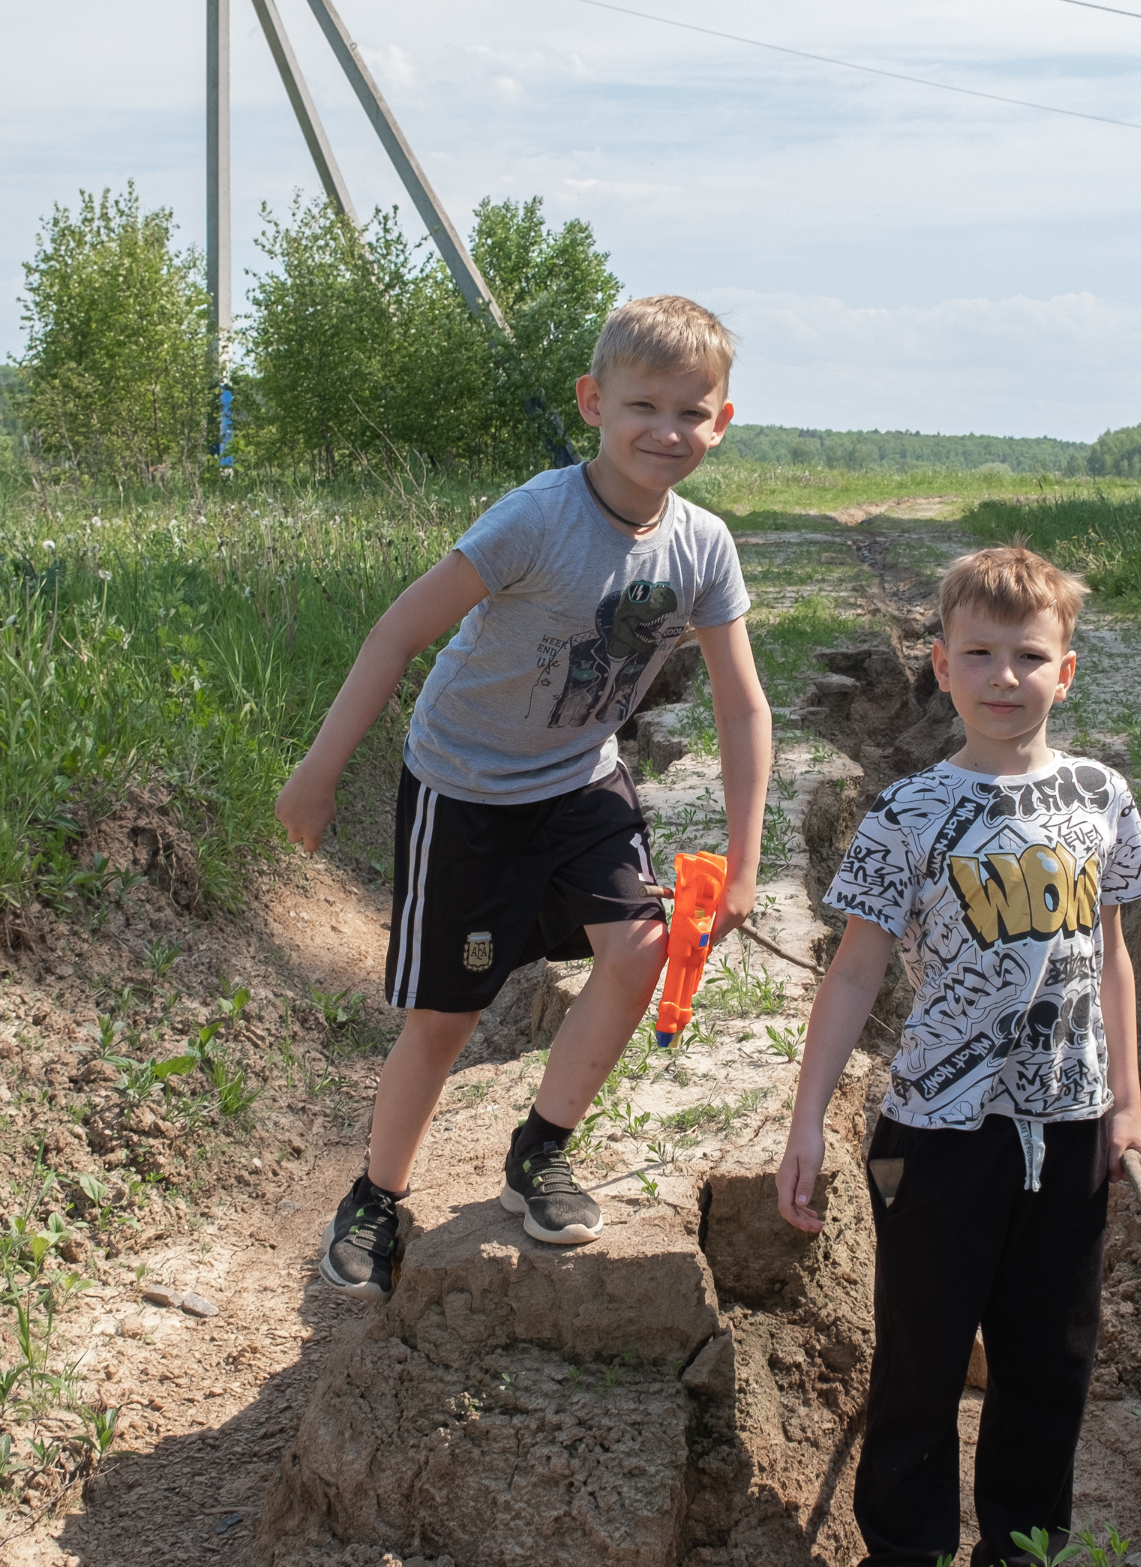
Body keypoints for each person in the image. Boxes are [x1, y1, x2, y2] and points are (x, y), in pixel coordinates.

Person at [277, 295, 772, 1297]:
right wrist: (319, 770)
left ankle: (540, 1149)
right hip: (465, 788)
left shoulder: (704, 546)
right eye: (644, 405)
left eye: (692, 411)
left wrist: (748, 862)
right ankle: (378, 1193)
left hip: (581, 779)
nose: (667, 431)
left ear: (722, 420)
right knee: (444, 1019)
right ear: (594, 401)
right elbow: (398, 630)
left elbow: (743, 707)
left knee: (641, 954)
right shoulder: (537, 517)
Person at [775, 544, 1141, 1567]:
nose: (1003, 677)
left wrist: (1126, 1101)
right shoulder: (905, 814)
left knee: (1049, 1360)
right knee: (921, 1359)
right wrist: (807, 1122)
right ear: (940, 668)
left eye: (1028, 655)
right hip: (938, 1134)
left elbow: (1113, 953)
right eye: (979, 654)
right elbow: (854, 973)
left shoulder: (1100, 796)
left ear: (1065, 671)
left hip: (1070, 1126)